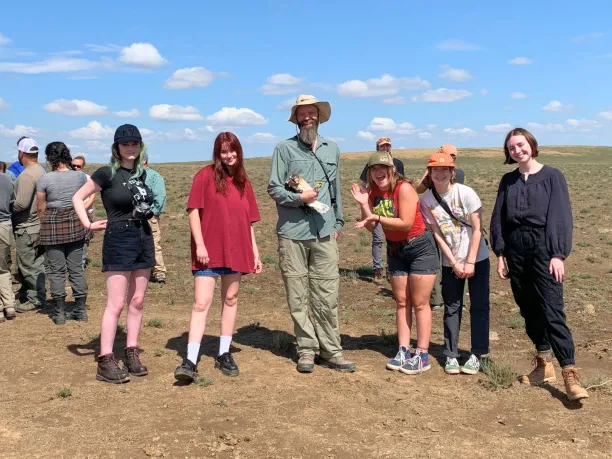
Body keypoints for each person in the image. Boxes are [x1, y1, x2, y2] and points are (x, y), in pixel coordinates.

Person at [490, 127, 588, 401]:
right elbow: (499, 217)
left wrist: (557, 254)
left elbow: (560, 215)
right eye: (511, 147)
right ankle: (544, 364)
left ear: (531, 145)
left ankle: (570, 372)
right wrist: (501, 253)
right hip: (515, 249)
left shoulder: (552, 176)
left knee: (552, 308)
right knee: (528, 306)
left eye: (521, 145)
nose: (517, 150)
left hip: (543, 248)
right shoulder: (508, 181)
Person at [268, 94, 355, 373]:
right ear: (295, 119)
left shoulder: (332, 149)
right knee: (298, 294)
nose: (307, 118)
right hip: (293, 233)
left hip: (324, 232)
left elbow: (336, 189)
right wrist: (300, 198)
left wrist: (338, 222)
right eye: (302, 114)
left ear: (319, 116)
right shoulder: (284, 149)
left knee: (327, 293)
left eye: (311, 113)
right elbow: (274, 188)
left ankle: (332, 350)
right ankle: (306, 350)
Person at [174, 132, 262, 383]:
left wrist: (255, 252)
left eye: (232, 150)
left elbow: (250, 222)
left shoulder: (244, 182)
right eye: (223, 151)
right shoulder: (204, 176)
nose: (228, 156)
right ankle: (190, 359)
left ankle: (224, 352)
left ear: (239, 151)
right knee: (201, 303)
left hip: (238, 248)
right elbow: (193, 211)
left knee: (231, 299)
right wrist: (200, 245)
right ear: (217, 153)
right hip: (208, 251)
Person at [73, 124, 155, 384]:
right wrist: (86, 224)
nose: (131, 147)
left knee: (138, 300)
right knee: (116, 303)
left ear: (140, 146)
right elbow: (78, 197)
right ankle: (105, 359)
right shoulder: (106, 173)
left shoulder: (143, 174)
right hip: (118, 237)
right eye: (125, 143)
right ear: (116, 147)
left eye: (135, 143)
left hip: (143, 236)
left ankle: (132, 352)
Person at [352, 152, 438, 374]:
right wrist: (364, 205)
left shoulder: (404, 188)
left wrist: (377, 218)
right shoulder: (372, 192)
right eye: (373, 169)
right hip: (395, 250)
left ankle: (422, 354)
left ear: (392, 170)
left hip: (419, 247)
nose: (378, 172)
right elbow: (371, 227)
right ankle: (403, 349)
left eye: (383, 168)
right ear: (369, 173)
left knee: (420, 302)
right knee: (401, 301)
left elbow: (406, 223)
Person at [419, 152, 490, 375]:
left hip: (477, 258)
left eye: (445, 170)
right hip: (451, 263)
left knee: (479, 306)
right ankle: (451, 354)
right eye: (435, 170)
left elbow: (477, 229)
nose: (440, 174)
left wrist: (469, 262)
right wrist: (453, 261)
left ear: (452, 172)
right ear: (429, 174)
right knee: (452, 307)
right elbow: (437, 233)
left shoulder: (467, 193)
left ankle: (477, 354)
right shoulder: (427, 200)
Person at [36, 143, 88, 324]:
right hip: (75, 223)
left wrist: (43, 225)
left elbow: (41, 207)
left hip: (52, 225)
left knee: (56, 271)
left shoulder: (45, 179)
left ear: (50, 157)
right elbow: (85, 198)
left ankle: (59, 314)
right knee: (76, 268)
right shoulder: (80, 176)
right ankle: (80, 311)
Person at [416, 145, 465, 311]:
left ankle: (437, 299)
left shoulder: (454, 174)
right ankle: (453, 300)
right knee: (456, 258)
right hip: (446, 223)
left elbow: (418, 188)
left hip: (437, 220)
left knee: (439, 259)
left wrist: (429, 172)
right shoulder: (458, 172)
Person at [359, 137, 405, 284]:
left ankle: (392, 268)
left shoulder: (397, 163)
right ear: (377, 147)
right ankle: (378, 269)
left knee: (393, 238)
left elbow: (402, 181)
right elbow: (364, 181)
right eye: (382, 146)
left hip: (392, 204)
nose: (385, 148)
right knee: (378, 238)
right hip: (377, 203)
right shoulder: (371, 163)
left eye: (387, 146)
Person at [12, 137, 46, 312]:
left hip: (27, 226)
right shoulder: (41, 170)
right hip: (38, 226)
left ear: (21, 153)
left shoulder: (26, 175)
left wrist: (6, 206)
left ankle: (36, 298)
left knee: (28, 265)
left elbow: (21, 204)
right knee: (36, 263)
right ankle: (28, 293)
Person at [142, 152, 167, 284]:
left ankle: (159, 272)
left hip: (149, 217)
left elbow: (160, 196)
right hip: (133, 216)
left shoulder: (154, 176)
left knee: (154, 243)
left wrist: (152, 213)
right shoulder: (130, 175)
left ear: (144, 161)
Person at [71, 155, 96, 268]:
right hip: (71, 213)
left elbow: (92, 197)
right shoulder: (68, 178)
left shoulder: (87, 178)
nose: (76, 168)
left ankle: (81, 262)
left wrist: (83, 209)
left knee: (84, 239)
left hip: (85, 212)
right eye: (73, 165)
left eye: (78, 166)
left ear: (83, 166)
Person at [0, 167, 15, 321]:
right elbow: (12, 201)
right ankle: (9, 305)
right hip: (4, 225)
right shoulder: (7, 179)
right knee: (3, 268)